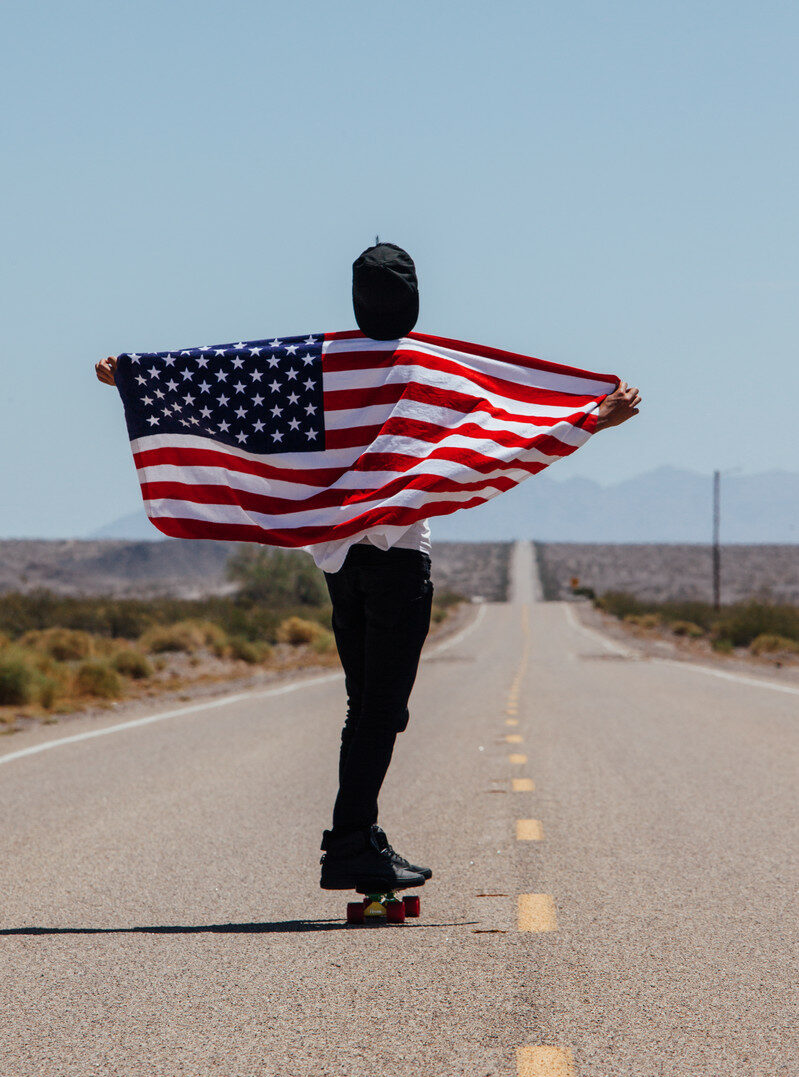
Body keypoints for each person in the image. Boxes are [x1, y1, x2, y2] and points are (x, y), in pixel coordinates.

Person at [94, 242, 641, 895]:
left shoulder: (314, 365)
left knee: (373, 708)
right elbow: (501, 426)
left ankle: (358, 834)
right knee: (379, 709)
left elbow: (217, 382)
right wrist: (588, 420)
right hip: (394, 562)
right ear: (412, 301)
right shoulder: (421, 365)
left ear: (357, 299)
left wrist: (133, 379)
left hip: (338, 566)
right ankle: (351, 843)